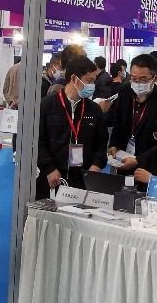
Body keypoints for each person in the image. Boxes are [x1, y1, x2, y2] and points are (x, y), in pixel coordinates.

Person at [35, 55, 107, 198]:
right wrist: (49, 168)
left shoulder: (94, 109)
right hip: (52, 178)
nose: (92, 86)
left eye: (94, 81)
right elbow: (37, 141)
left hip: (83, 179)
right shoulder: (47, 105)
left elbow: (101, 142)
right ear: (74, 79)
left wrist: (97, 164)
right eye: (89, 81)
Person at [107, 54, 157, 169]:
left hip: (149, 163)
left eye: (143, 79)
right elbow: (118, 121)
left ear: (155, 78)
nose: (137, 83)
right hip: (122, 157)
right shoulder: (125, 91)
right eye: (134, 78)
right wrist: (114, 144)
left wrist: (138, 161)